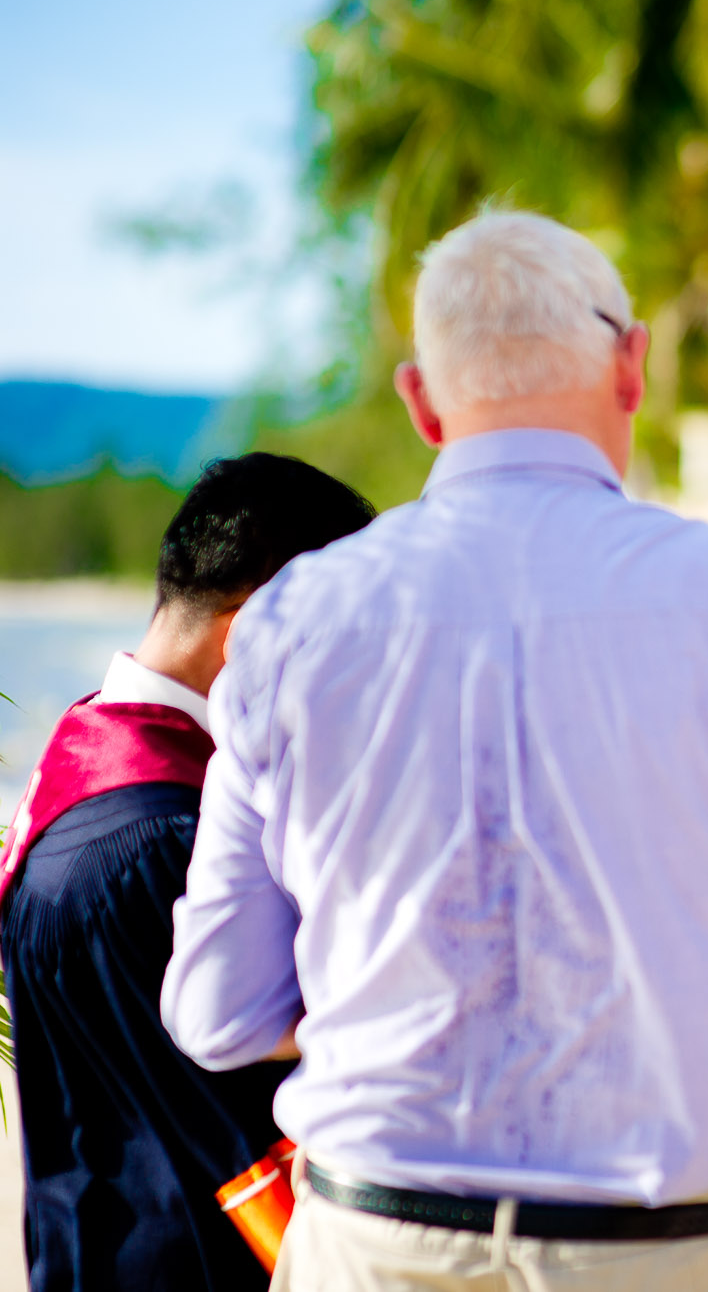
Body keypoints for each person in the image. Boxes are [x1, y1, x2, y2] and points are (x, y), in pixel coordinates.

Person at [159, 210, 708, 1292]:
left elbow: (217, 1008)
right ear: (632, 367)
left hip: (376, 1251)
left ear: (422, 401)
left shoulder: (291, 622)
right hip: (680, 1258)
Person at [0, 454, 373, 1292]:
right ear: (249, 633)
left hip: (83, 1245)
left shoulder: (75, 777)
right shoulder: (160, 841)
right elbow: (244, 1112)